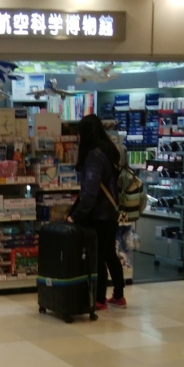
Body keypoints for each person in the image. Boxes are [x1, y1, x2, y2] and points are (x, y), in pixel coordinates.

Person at [67, 113, 126, 309]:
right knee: (109, 253)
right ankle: (119, 295)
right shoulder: (110, 150)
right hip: (112, 210)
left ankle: (100, 299)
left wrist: (75, 216)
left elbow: (90, 192)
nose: (78, 138)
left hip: (100, 214)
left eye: (79, 134)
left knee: (99, 256)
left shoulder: (94, 156)